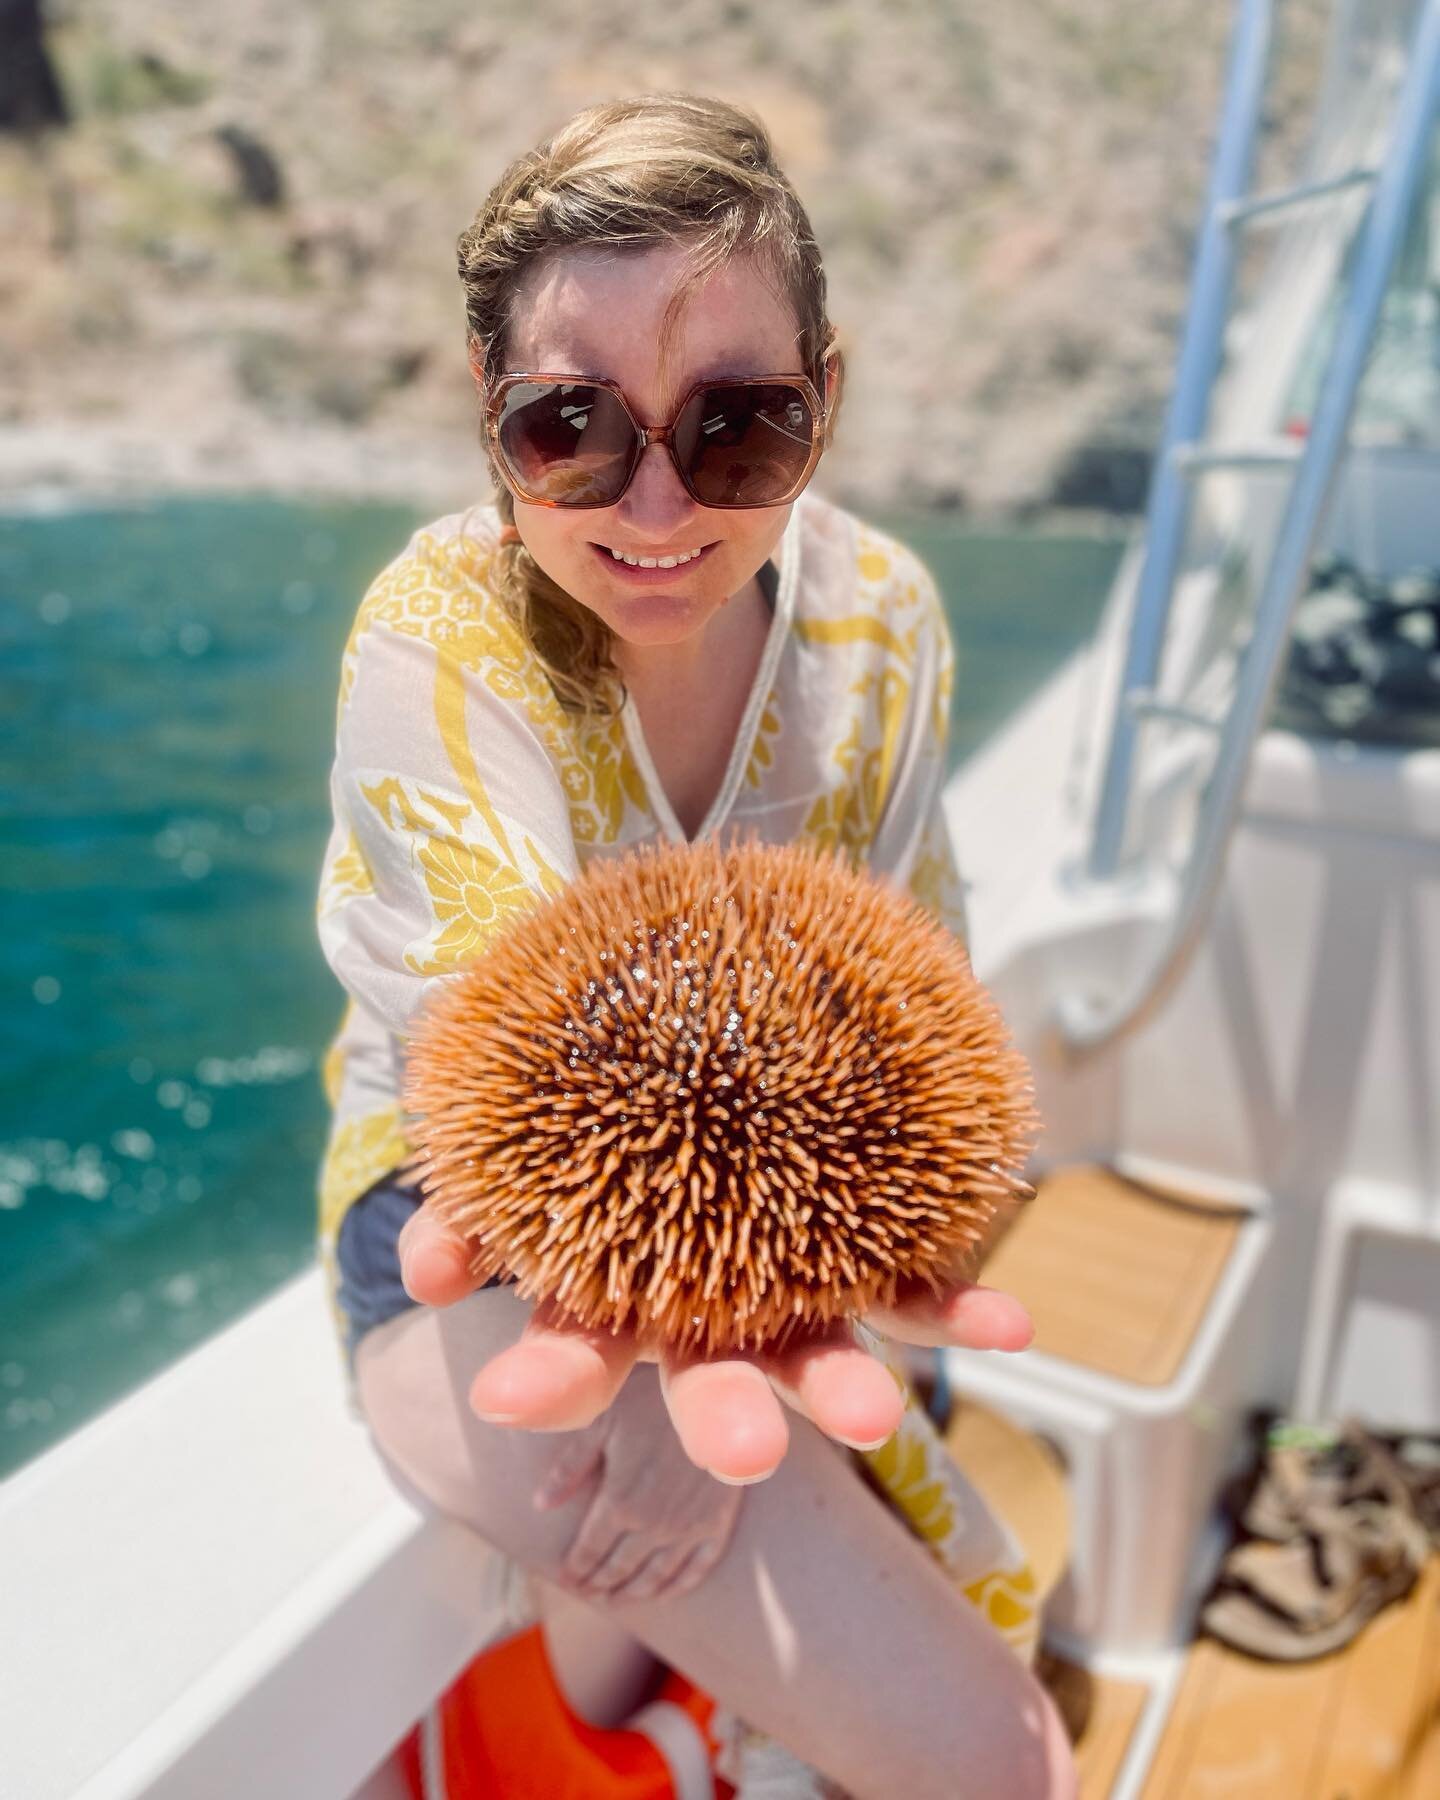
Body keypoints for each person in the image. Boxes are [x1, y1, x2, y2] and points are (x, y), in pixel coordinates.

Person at [315, 92, 1077, 1799]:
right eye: (572, 428)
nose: (656, 504)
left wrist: (799, 1322)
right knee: (1003, 1762)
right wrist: (662, 1389)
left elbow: (914, 985)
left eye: (736, 428)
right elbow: (536, 1098)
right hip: (469, 1204)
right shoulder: (438, 649)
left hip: (806, 1190)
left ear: (827, 405)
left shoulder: (883, 619)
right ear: (488, 420)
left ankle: (645, 1714)